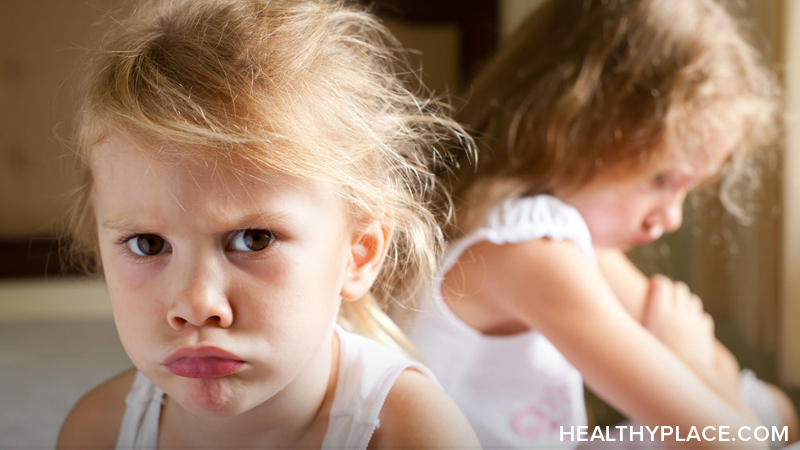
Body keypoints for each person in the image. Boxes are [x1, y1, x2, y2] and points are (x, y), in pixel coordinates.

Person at [55, 0, 480, 449]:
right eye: (147, 243)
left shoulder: (413, 434)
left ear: (358, 252)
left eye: (252, 240)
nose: (197, 305)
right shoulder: (97, 431)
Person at [403, 0, 795, 448]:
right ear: (576, 125)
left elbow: (760, 404)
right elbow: (735, 441)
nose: (671, 217)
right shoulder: (529, 252)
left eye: (688, 188)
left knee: (777, 410)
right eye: (660, 179)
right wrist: (692, 363)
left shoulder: (515, 218)